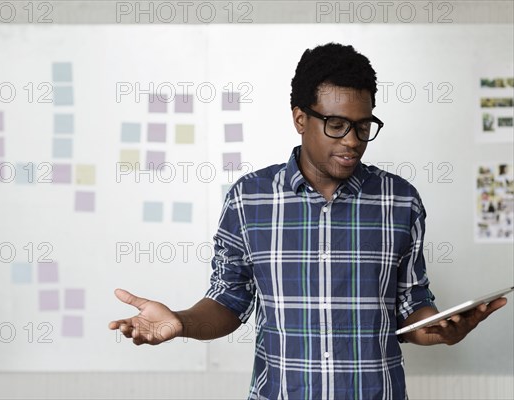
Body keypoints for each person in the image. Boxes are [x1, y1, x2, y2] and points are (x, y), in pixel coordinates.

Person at [109, 43, 507, 399]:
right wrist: (181, 321)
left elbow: (412, 307)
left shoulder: (400, 200)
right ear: (300, 118)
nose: (352, 140)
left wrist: (442, 329)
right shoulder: (249, 198)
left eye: (364, 126)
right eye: (336, 125)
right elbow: (229, 301)